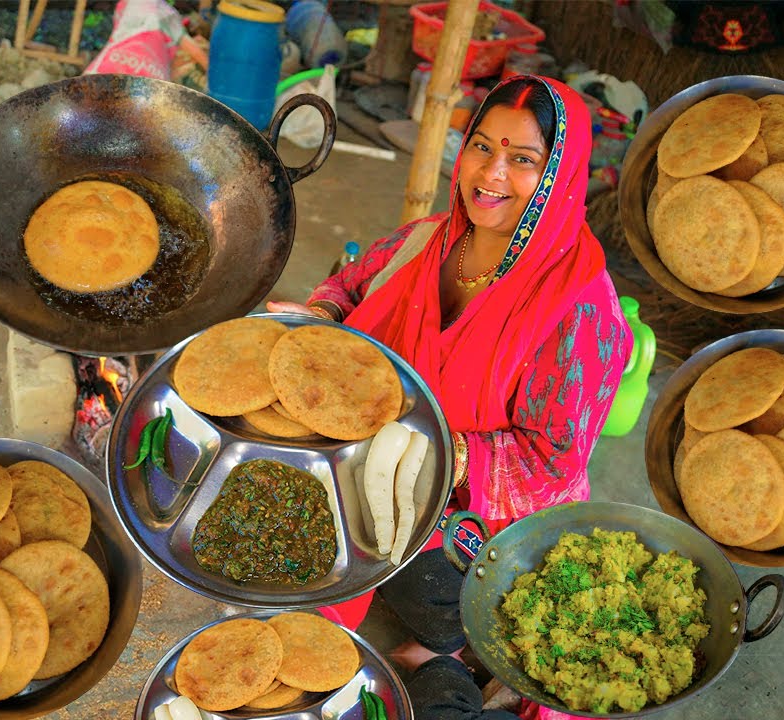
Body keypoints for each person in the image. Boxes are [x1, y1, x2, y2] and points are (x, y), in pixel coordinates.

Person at [268, 75, 632, 718]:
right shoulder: (430, 240)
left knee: (384, 586)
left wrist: (442, 452)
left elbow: (552, 469)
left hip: (476, 531)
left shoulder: (578, 308)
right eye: (480, 147)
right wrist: (319, 325)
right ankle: (431, 648)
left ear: (560, 175)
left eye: (523, 160)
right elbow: (350, 287)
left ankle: (448, 654)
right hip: (379, 478)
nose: (491, 174)